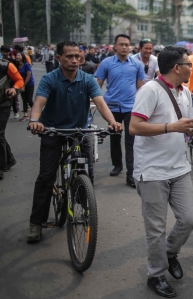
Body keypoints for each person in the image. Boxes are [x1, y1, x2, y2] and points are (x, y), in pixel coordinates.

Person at [26, 41, 122, 243]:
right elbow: (39, 103)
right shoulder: (49, 79)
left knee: (86, 172)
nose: (74, 60)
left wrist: (113, 122)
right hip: (52, 131)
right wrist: (35, 121)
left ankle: (85, 206)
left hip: (79, 131)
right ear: (58, 58)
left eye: (77, 56)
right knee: (46, 177)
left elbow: (100, 103)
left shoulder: (88, 79)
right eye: (68, 56)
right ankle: (36, 222)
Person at [130, 46, 193, 298]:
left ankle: (169, 253)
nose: (192, 68)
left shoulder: (185, 92)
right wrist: (172, 127)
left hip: (179, 168)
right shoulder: (149, 90)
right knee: (156, 229)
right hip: (152, 172)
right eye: (188, 64)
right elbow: (135, 127)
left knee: (189, 219)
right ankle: (156, 275)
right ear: (176, 68)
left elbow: (186, 125)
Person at [95, 34, 145, 187]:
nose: (124, 47)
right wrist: (94, 100)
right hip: (112, 107)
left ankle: (131, 174)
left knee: (131, 141)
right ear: (115, 46)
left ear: (130, 47)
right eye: (121, 44)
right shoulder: (106, 63)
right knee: (115, 138)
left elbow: (141, 86)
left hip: (131, 107)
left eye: (127, 45)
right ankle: (117, 164)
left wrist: (146, 104)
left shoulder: (137, 64)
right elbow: (97, 84)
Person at [0, 47, 24, 179]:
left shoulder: (6, 65)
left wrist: (14, 89)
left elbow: (19, 80)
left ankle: (2, 167)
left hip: (3, 104)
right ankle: (9, 159)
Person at [13, 52, 34, 121]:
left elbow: (29, 75)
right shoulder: (16, 66)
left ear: (22, 57)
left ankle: (37, 111)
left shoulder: (26, 65)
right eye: (16, 55)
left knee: (29, 100)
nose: (17, 57)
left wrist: (24, 85)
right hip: (21, 85)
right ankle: (25, 115)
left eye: (19, 55)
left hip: (29, 84)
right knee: (24, 100)